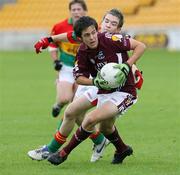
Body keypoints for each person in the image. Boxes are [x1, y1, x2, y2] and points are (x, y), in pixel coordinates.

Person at [28, 9, 144, 163]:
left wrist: (131, 68)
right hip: (99, 87)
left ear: (118, 29)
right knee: (74, 113)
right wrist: (49, 39)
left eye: (113, 23)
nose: (108, 25)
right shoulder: (87, 39)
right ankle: (120, 148)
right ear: (100, 23)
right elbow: (72, 37)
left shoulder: (115, 39)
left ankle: (62, 153)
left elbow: (138, 49)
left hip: (122, 91)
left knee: (89, 119)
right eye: (106, 21)